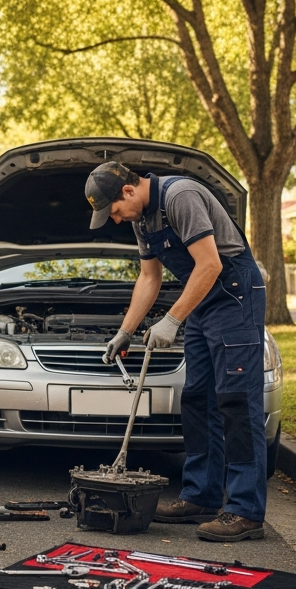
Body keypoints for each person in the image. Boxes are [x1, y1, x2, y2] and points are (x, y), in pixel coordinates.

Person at [85, 161, 268, 542]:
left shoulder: (180, 196)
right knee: (197, 398)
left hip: (234, 295)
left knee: (236, 401)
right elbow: (149, 278)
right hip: (202, 301)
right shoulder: (141, 219)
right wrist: (125, 331)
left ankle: (246, 511)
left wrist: (170, 320)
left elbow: (211, 264)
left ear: (128, 191)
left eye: (115, 212)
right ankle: (200, 496)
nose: (116, 221)